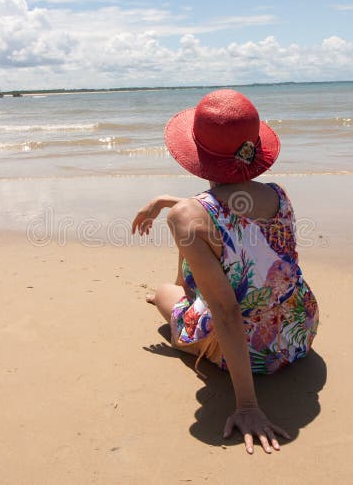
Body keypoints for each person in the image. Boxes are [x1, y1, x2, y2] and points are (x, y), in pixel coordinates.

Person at [131, 89, 320, 455]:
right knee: (195, 232)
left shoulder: (188, 216)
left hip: (255, 352)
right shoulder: (277, 194)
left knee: (164, 292)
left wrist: (248, 406)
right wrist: (168, 201)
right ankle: (188, 295)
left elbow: (228, 312)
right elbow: (231, 209)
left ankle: (179, 303)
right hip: (300, 332)